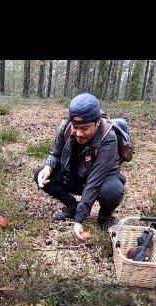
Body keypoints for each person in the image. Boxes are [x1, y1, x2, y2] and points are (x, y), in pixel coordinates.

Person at [33, 93, 126, 241]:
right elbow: (55, 153)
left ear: (97, 122)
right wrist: (48, 167)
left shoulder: (109, 138)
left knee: (113, 190)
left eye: (85, 128)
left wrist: (79, 220)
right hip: (78, 175)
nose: (79, 133)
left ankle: (104, 216)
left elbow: (94, 182)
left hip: (100, 180)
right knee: (41, 174)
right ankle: (72, 206)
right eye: (76, 127)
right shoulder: (67, 126)